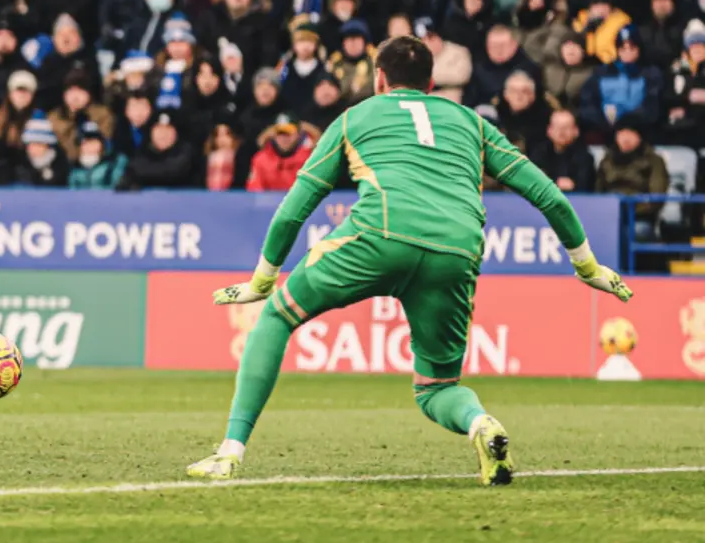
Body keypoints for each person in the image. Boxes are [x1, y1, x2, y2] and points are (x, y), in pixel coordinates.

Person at [187, 35, 633, 485]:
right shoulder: (471, 122)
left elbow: (295, 205)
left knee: (277, 316)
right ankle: (481, 423)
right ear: (432, 82)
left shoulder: (354, 117)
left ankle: (229, 451)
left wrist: (263, 278)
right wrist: (587, 267)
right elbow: (549, 196)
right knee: (437, 389)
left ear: (380, 79)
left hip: (378, 235)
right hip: (457, 250)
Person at [595, 115, 669, 239]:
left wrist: (627, 208)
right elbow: (597, 193)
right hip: (608, 217)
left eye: (631, 133)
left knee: (635, 232)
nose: (626, 138)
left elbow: (656, 197)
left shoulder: (654, 161)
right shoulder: (607, 160)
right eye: (621, 133)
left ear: (640, 136)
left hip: (639, 218)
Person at [528, 109, 595, 192]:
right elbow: (533, 181)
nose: (561, 131)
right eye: (557, 126)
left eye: (566, 126)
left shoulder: (585, 157)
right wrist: (557, 182)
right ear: (549, 130)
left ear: (576, 131)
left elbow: (584, 186)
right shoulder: (539, 153)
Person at [246, 112, 312, 191]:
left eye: (289, 132)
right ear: (273, 135)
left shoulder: (309, 159)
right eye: (280, 132)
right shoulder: (261, 159)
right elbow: (254, 192)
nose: (284, 138)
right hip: (268, 203)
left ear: (298, 134)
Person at [68, 120, 126, 189]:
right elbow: (71, 190)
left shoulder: (114, 162)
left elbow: (116, 187)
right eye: (86, 142)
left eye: (94, 141)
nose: (90, 146)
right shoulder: (74, 167)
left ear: (101, 144)